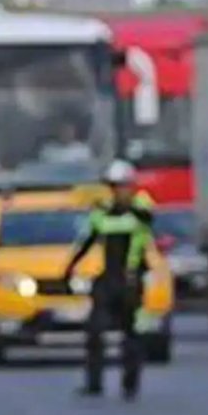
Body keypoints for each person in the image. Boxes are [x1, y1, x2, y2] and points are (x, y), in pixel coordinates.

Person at [63, 159, 154, 400]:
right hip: (108, 279)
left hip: (132, 280)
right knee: (95, 331)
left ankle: (130, 384)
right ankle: (94, 383)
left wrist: (125, 206)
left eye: (124, 186)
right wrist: (69, 268)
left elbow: (147, 217)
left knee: (132, 335)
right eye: (115, 187)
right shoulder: (101, 215)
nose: (120, 192)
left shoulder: (140, 209)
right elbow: (86, 242)